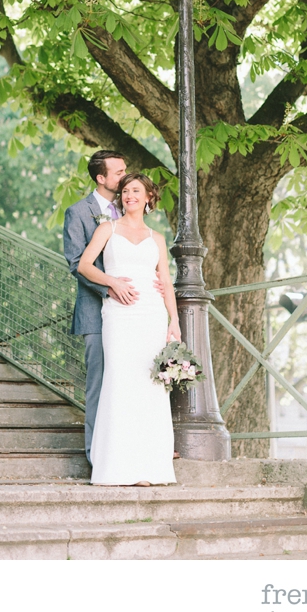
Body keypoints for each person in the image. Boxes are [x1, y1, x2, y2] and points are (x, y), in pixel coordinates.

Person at [77, 173, 181, 486]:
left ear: (149, 196)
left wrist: (173, 322)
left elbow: (165, 282)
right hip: (120, 314)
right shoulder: (107, 228)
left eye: (136, 191)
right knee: (120, 382)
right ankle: (117, 468)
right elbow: (84, 265)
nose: (128, 195)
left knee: (150, 387)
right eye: (125, 191)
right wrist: (113, 282)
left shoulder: (157, 238)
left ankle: (149, 468)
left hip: (151, 314)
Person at [63, 150, 137, 464]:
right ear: (101, 178)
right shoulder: (78, 212)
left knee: (132, 382)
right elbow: (75, 262)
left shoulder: (131, 208)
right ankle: (96, 457)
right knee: (98, 385)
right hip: (96, 310)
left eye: (125, 170)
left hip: (134, 311)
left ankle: (133, 451)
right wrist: (111, 287)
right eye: (118, 173)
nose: (124, 177)